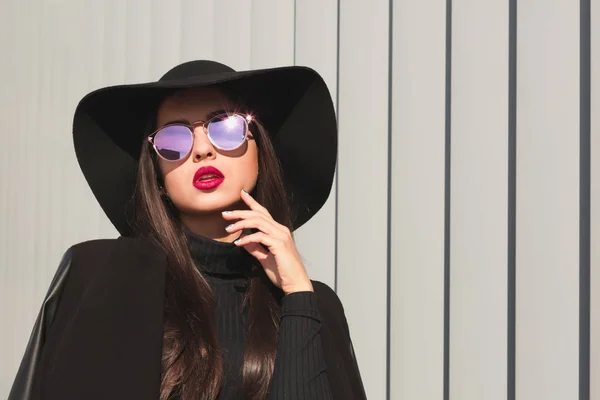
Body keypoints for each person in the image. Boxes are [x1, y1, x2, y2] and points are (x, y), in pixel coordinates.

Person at [8, 60, 366, 400]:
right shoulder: (103, 276)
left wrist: (298, 296)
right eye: (174, 140)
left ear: (261, 152)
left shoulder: (315, 305)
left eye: (225, 128)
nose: (202, 150)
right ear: (158, 176)